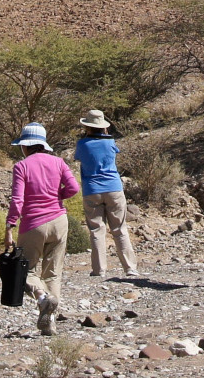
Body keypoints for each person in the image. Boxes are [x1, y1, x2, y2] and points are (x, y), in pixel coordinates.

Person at [4, 122, 80, 335]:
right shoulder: (58, 162)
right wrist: (58, 197)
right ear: (43, 144)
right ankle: (49, 322)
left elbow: (17, 201)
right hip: (59, 221)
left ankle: (42, 298)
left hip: (33, 224)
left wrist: (9, 227)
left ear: (25, 146)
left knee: (24, 269)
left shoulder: (22, 166)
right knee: (53, 273)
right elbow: (74, 188)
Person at [72, 109, 138, 279]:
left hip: (92, 190)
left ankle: (99, 270)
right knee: (119, 229)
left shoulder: (82, 144)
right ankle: (130, 268)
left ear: (87, 126)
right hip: (113, 188)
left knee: (96, 230)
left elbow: (78, 158)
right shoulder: (110, 142)